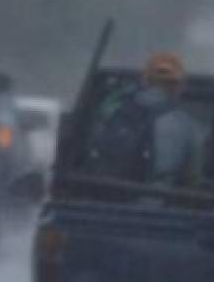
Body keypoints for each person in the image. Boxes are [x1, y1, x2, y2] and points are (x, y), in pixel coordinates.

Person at [86, 52, 207, 188]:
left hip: (102, 199)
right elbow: (192, 181)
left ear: (144, 80)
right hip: (154, 206)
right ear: (179, 87)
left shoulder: (109, 111)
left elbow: (89, 151)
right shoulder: (189, 127)